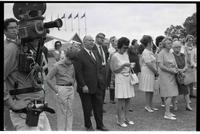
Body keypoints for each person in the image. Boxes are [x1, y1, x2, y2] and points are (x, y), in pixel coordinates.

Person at [4, 18, 51, 130]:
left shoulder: (24, 48)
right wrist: (11, 103)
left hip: (37, 107)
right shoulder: (10, 48)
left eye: (17, 27)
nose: (15, 30)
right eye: (11, 28)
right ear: (5, 31)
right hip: (24, 112)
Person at [73, 35, 108, 131]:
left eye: (93, 40)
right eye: (89, 40)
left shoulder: (96, 53)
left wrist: (101, 81)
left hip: (97, 86)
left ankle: (100, 125)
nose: (92, 42)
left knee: (98, 107)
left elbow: (100, 68)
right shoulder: (79, 55)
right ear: (84, 42)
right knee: (87, 108)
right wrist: (83, 85)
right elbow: (78, 72)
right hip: (86, 87)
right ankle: (88, 126)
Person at [46, 49, 76, 130]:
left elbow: (73, 76)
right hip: (61, 88)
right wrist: (55, 90)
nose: (70, 62)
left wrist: (72, 84)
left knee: (70, 111)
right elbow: (48, 79)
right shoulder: (57, 65)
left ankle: (69, 130)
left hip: (70, 88)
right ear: (66, 56)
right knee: (62, 111)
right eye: (69, 59)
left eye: (72, 60)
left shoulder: (72, 65)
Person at [110, 37, 135, 127]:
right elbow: (113, 70)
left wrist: (130, 66)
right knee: (121, 100)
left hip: (127, 78)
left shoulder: (126, 54)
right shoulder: (114, 56)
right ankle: (119, 119)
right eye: (124, 47)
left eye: (127, 47)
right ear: (120, 46)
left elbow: (127, 66)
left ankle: (126, 118)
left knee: (128, 99)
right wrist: (124, 65)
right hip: (120, 78)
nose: (125, 49)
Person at [157, 37, 179, 120]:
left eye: (171, 43)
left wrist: (176, 69)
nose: (170, 44)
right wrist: (171, 70)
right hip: (165, 76)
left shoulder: (171, 53)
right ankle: (167, 113)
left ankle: (168, 111)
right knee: (169, 94)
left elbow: (175, 63)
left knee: (170, 94)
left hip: (172, 76)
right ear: (164, 45)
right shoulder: (161, 53)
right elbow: (161, 66)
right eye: (168, 43)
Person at [139, 35, 159, 113]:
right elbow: (149, 64)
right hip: (147, 72)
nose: (152, 43)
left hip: (151, 72)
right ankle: (147, 106)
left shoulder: (150, 51)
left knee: (151, 90)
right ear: (148, 43)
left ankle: (150, 105)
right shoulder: (145, 52)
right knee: (148, 90)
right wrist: (156, 72)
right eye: (151, 41)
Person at [172, 41, 192, 111]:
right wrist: (180, 71)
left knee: (186, 91)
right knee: (174, 92)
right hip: (175, 75)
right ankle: (174, 105)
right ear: (173, 48)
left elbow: (186, 65)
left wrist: (184, 69)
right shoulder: (172, 55)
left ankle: (187, 105)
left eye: (179, 47)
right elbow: (174, 66)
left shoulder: (183, 55)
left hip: (183, 76)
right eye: (176, 47)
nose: (178, 48)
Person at [93, 33, 109, 107]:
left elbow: (106, 57)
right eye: (100, 37)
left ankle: (100, 105)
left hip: (104, 69)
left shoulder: (104, 47)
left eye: (103, 38)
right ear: (96, 38)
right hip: (96, 69)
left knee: (103, 87)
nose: (102, 39)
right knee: (96, 87)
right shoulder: (92, 47)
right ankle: (94, 106)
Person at [107, 36, 118, 104]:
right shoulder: (110, 50)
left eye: (116, 41)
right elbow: (109, 60)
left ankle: (118, 97)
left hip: (117, 67)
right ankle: (112, 99)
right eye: (113, 41)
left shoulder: (117, 49)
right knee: (112, 83)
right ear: (111, 42)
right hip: (112, 68)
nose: (115, 42)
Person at [155, 35, 165, 107]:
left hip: (167, 70)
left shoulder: (167, 50)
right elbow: (156, 63)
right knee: (161, 86)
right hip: (160, 70)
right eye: (161, 43)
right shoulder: (157, 52)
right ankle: (163, 101)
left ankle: (168, 99)